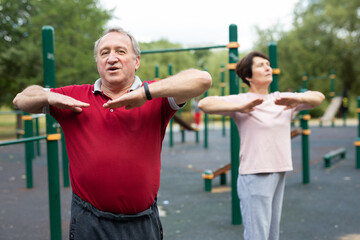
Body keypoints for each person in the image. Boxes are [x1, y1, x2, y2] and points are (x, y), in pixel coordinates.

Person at [13, 27, 212, 240]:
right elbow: (21, 99)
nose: (112, 58)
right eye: (104, 52)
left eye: (120, 51)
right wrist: (48, 97)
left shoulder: (156, 95)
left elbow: (203, 80)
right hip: (90, 222)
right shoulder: (74, 96)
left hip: (142, 222)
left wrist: (145, 94)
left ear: (136, 61)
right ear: (98, 62)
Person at [198, 51, 324, 240]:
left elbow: (318, 97)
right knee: (257, 235)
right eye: (260, 65)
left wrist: (300, 98)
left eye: (268, 64)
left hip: (279, 170)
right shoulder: (242, 99)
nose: (267, 68)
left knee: (272, 234)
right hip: (255, 174)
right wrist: (238, 108)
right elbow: (204, 104)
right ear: (248, 76)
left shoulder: (282, 98)